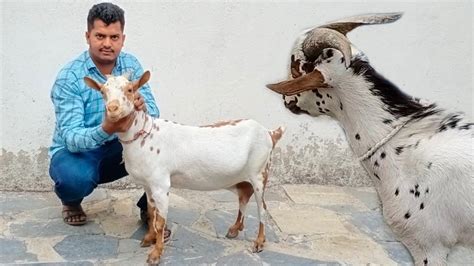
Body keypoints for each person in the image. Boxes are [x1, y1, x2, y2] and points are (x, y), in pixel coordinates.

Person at [49, 2, 169, 239]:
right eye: (100, 36)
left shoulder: (131, 65)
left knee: (161, 149)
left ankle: (150, 209)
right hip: (79, 152)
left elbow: (153, 113)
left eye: (114, 37)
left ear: (123, 39)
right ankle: (72, 201)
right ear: (87, 36)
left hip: (119, 147)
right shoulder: (70, 77)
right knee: (74, 179)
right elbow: (71, 138)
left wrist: (142, 107)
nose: (107, 43)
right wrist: (106, 128)